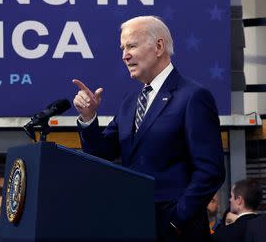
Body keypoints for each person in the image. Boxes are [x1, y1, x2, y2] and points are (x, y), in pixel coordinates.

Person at [73, 15, 225, 242]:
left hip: (177, 232)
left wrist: (176, 220)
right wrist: (88, 118)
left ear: (159, 46)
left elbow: (211, 171)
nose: (124, 55)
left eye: (131, 46)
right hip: (135, 226)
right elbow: (100, 154)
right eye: (123, 48)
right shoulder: (129, 103)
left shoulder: (192, 96)